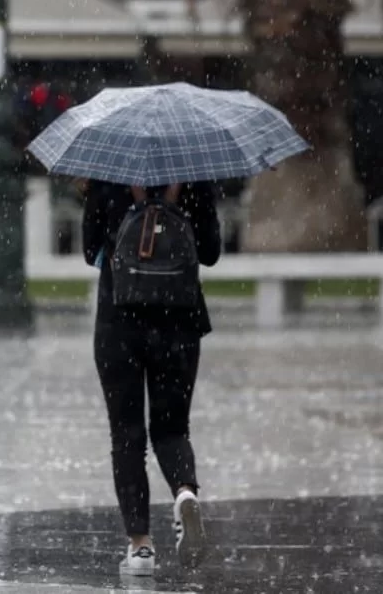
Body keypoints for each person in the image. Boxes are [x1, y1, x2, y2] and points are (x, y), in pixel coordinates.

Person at [81, 179, 221, 576]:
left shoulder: (108, 175)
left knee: (126, 435)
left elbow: (90, 251)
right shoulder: (194, 174)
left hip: (118, 320)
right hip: (179, 319)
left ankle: (140, 547)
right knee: (173, 428)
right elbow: (210, 253)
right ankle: (184, 493)